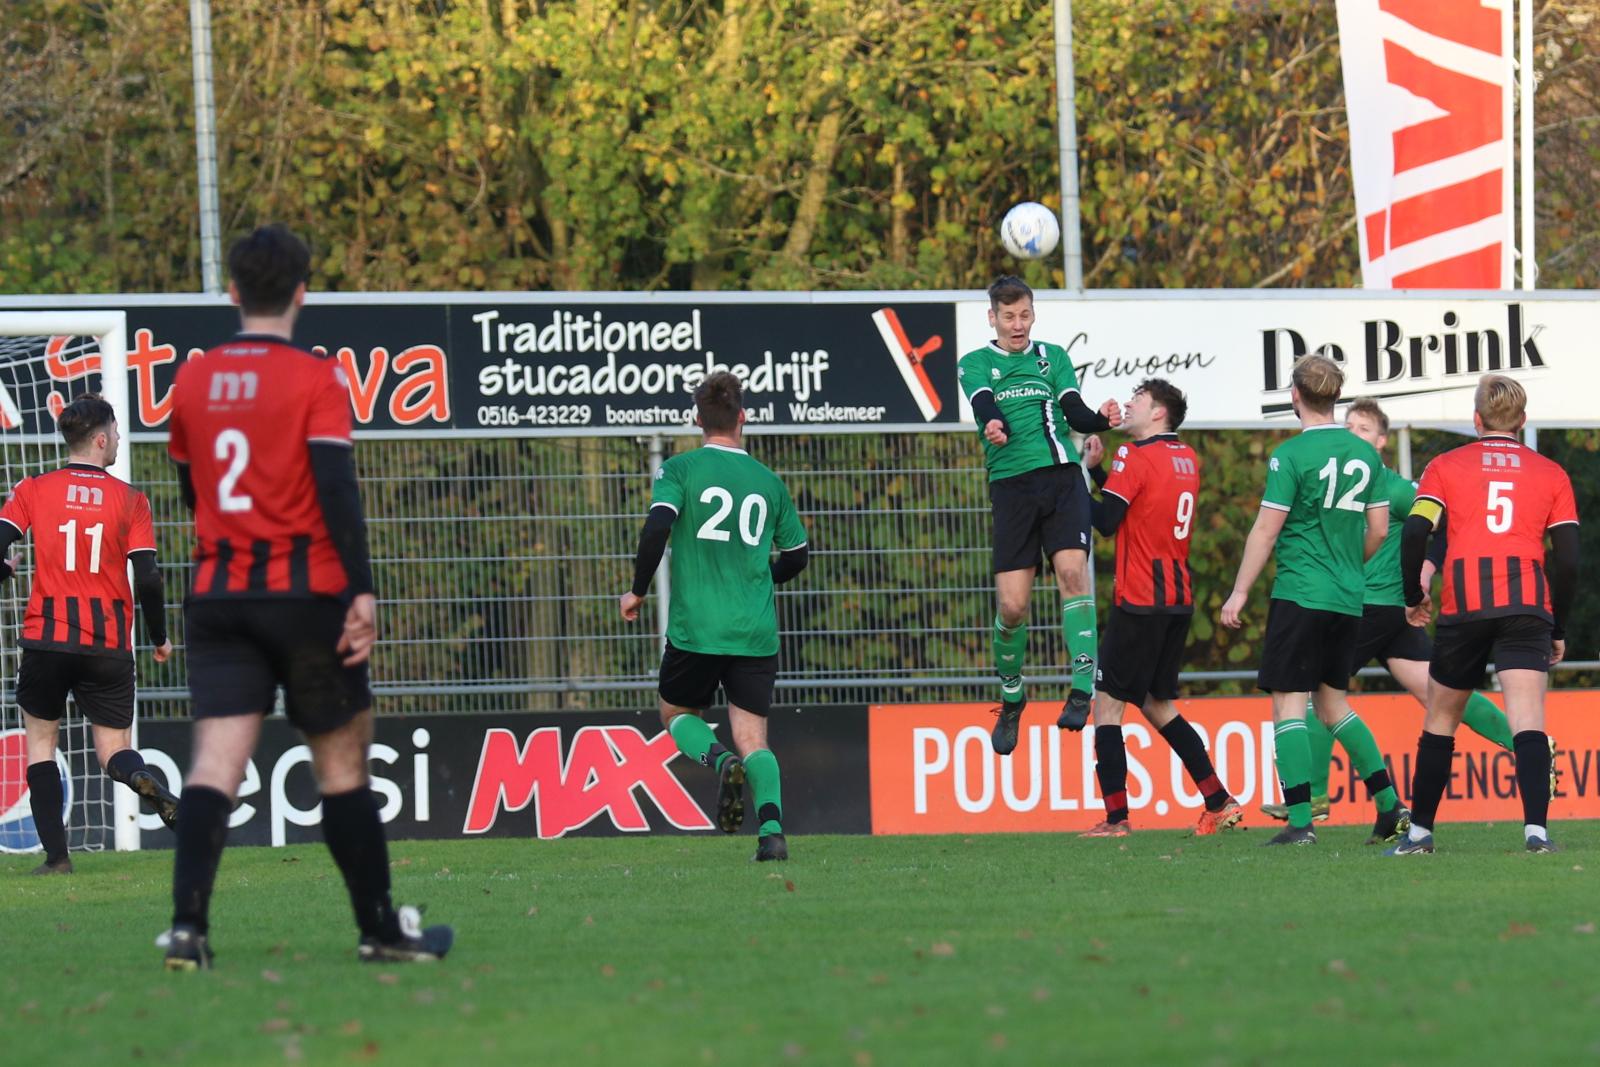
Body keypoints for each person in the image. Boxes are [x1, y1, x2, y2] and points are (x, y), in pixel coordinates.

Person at [162, 224, 451, 969]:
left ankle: (188, 928)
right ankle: (381, 927)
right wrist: (362, 590)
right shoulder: (314, 378)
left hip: (219, 593)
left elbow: (192, 487)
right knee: (341, 763)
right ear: (302, 291)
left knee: (214, 762)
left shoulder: (192, 379)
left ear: (231, 292)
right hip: (303, 592)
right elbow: (335, 490)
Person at [1260, 397, 1524, 824]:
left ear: (1382, 441)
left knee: (1316, 698)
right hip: (1386, 612)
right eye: (1349, 427)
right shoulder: (1344, 484)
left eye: (1363, 429)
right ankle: (1526, 744)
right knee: (1438, 694)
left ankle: (1318, 796)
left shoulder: (1394, 487)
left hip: (1372, 606)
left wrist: (1425, 569)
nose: (1353, 434)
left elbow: (1444, 523)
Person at [1220, 355, 1410, 847]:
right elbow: (1380, 530)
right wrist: (1350, 563)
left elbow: (1266, 529)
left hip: (1302, 592)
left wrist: (1239, 591)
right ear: (1335, 399)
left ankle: (1301, 822)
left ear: (1295, 397)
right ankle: (1390, 806)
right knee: (1334, 706)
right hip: (1348, 597)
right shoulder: (1366, 457)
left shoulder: (1291, 456)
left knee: (1288, 705)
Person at [621, 371, 808, 863]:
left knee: (675, 714)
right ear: (743, 417)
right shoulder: (769, 483)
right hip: (754, 630)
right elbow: (796, 556)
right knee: (754, 736)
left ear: (697, 419)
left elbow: (656, 528)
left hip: (697, 628)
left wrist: (636, 591)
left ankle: (719, 761)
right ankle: (771, 832)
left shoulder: (680, 471)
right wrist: (759, 575)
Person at [1389, 375, 1579, 855]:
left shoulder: (1445, 465)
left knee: (1441, 720)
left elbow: (1415, 533)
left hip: (1465, 604)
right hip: (1526, 604)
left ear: (1477, 420)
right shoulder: (1551, 472)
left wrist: (1414, 593)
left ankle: (1420, 834)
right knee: (1528, 719)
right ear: (1522, 422)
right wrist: (1558, 626)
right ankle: (1536, 832)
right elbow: (1570, 558)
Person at [0, 394, 176, 875]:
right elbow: (149, 578)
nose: (118, 440)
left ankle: (57, 859)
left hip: (47, 637)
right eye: (116, 433)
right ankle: (141, 778)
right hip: (108, 645)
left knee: (40, 745)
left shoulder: (35, 488)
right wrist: (159, 636)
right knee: (114, 751)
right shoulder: (131, 500)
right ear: (101, 440)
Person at [956, 276, 1122, 756]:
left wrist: (1100, 417)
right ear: (993, 318)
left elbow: (1073, 408)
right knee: (1012, 607)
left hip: (1062, 476)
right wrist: (993, 425)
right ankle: (1012, 699)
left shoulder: (1052, 356)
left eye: (1024, 314)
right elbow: (985, 404)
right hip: (1011, 486)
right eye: (1008, 316)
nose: (1017, 324)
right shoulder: (976, 362)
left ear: (1033, 314)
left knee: (1073, 573)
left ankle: (1081, 685)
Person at [1076, 379, 1243, 837]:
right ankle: (1218, 799)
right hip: (1176, 601)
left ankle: (1116, 819)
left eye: (1138, 400)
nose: (1128, 405)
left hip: (1139, 600)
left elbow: (1108, 520)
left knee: (1106, 707)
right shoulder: (1186, 458)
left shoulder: (1135, 455)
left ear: (1158, 414)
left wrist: (1068, 485)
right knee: (1156, 704)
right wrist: (1096, 473)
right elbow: (1138, 504)